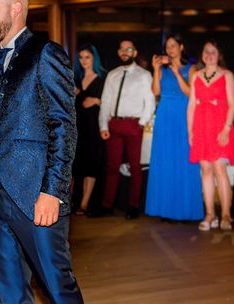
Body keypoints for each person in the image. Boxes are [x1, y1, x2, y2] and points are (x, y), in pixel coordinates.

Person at [0, 0, 82, 302]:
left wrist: (53, 191)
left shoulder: (45, 53)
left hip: (33, 192)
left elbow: (64, 126)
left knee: (57, 285)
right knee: (9, 290)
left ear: (16, 9)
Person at [146, 34, 204, 222]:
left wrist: (177, 72)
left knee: (184, 160)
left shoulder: (192, 68)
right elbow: (155, 91)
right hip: (164, 114)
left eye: (173, 46)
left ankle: (185, 209)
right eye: (168, 47)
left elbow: (191, 92)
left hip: (184, 114)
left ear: (181, 47)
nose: (170, 49)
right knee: (165, 160)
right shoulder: (162, 68)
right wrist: (156, 70)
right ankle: (165, 209)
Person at [98, 39, 155, 219]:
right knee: (112, 166)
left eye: (128, 49)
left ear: (134, 53)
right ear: (119, 52)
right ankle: (107, 206)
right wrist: (103, 125)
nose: (125, 52)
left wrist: (141, 123)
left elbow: (150, 102)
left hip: (133, 124)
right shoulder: (112, 75)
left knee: (135, 167)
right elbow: (106, 101)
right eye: (122, 49)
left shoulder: (144, 75)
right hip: (114, 123)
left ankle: (133, 206)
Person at [187, 40, 234, 231]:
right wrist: (190, 131)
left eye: (213, 52)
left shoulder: (227, 75)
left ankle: (226, 215)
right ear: (202, 54)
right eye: (206, 51)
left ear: (219, 55)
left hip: (220, 126)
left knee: (220, 170)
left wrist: (226, 129)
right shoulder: (196, 76)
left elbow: (233, 104)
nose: (209, 55)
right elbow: (191, 105)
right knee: (205, 170)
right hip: (201, 126)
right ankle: (210, 214)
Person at [72, 44, 106, 214]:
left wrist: (97, 101)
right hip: (77, 128)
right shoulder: (75, 79)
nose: (84, 61)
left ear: (94, 59)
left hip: (93, 127)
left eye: (87, 57)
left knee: (91, 165)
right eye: (81, 57)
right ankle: (73, 202)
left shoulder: (102, 80)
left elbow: (109, 104)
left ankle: (85, 204)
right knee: (76, 166)